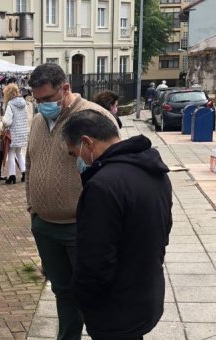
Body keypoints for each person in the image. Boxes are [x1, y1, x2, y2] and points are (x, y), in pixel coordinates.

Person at [25, 63, 118, 340]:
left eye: (47, 99)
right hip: (45, 226)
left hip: (81, 227)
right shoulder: (39, 121)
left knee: (93, 294)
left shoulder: (94, 116)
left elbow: (113, 170)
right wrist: (32, 206)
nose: (41, 105)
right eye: (37, 100)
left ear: (65, 88)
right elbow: (30, 164)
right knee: (62, 292)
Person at [62, 110, 172, 340]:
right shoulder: (152, 170)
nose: (77, 160)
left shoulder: (103, 185)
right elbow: (164, 231)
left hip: (115, 306)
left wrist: (81, 297)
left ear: (87, 143)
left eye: (74, 154)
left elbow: (95, 259)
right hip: (145, 292)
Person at [1, 84, 28, 184]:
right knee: (19, 153)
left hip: (13, 133)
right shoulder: (24, 103)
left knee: (11, 153)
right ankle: (24, 172)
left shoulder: (10, 104)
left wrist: (2, 119)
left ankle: (11, 176)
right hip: (22, 132)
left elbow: (7, 121)